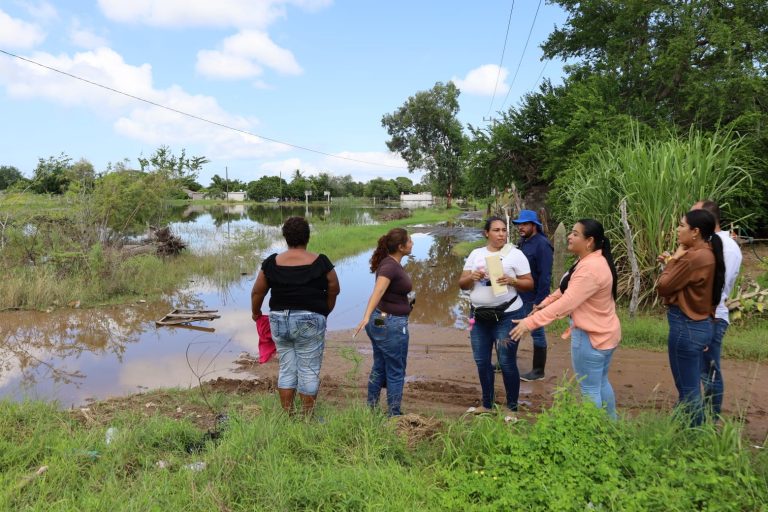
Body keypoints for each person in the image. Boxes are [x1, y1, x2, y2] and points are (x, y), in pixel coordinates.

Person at [509, 219, 621, 419]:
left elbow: (567, 302)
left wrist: (530, 323)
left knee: (589, 389)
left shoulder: (590, 269)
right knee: (600, 383)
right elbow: (566, 288)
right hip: (605, 334)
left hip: (591, 338)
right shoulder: (590, 260)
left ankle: (594, 431)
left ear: (589, 241)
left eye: (575, 234)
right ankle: (611, 424)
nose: (569, 236)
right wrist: (545, 303)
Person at [251, 217, 340, 416]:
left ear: (286, 238)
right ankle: (307, 418)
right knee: (308, 369)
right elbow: (334, 288)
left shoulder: (271, 262)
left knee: (286, 368)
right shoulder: (321, 261)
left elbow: (257, 292)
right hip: (310, 319)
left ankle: (287, 415)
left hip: (278, 320)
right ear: (307, 237)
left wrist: (256, 313)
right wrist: (324, 311)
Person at [459, 217, 534, 413]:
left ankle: (512, 408)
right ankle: (487, 405)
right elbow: (462, 284)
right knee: (482, 361)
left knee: (507, 361)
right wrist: (471, 277)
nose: (501, 234)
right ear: (486, 233)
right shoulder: (476, 254)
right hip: (479, 317)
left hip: (507, 316)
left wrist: (512, 281)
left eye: (503, 230)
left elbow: (529, 283)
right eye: (496, 230)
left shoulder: (515, 254)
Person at [657, 209, 725, 426]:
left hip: (685, 326)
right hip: (701, 324)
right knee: (691, 385)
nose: (678, 229)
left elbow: (663, 286)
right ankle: (681, 430)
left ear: (695, 232)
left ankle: (695, 434)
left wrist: (674, 260)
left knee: (688, 390)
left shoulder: (694, 257)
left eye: (681, 225)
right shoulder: (708, 253)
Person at [354, 228, 414, 416]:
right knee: (396, 369)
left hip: (381, 320)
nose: (412, 243)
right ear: (401, 247)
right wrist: (365, 316)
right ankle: (394, 414)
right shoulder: (390, 266)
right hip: (390, 323)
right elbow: (378, 291)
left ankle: (371, 409)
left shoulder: (390, 263)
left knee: (380, 365)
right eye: (409, 241)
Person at [691, 200, 742, 418]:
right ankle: (696, 416)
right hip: (703, 314)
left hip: (712, 315)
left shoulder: (725, 247)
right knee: (698, 369)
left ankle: (710, 420)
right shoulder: (709, 243)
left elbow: (716, 285)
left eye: (693, 215)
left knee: (709, 371)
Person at [512, 209, 554, 381]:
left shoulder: (542, 245)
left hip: (533, 297)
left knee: (536, 331)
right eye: (519, 224)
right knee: (511, 328)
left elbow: (545, 276)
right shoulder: (523, 242)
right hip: (519, 295)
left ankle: (538, 371)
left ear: (534, 225)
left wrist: (540, 302)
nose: (520, 227)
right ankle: (504, 362)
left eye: (525, 224)